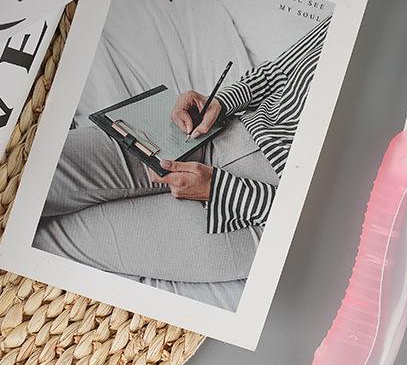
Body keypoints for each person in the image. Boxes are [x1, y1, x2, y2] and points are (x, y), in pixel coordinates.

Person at [34, 15, 330, 285]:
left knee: (50, 240)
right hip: (219, 132)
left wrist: (221, 189)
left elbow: (333, 226)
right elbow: (277, 72)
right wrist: (220, 103)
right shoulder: (349, 16)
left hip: (260, 216)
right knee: (40, 170)